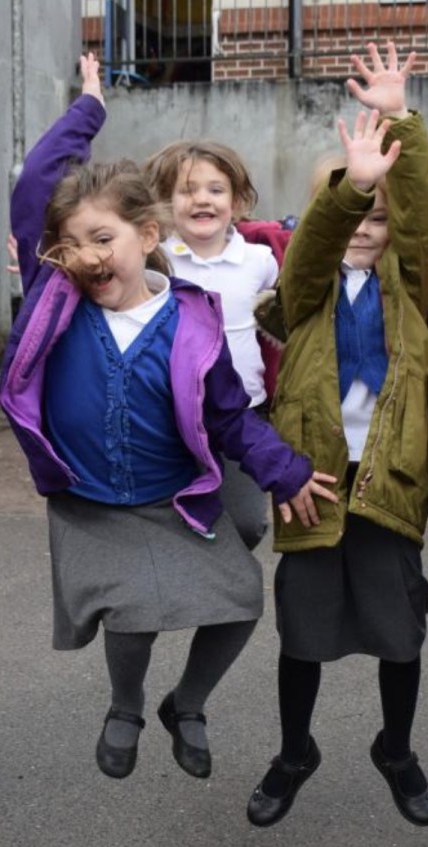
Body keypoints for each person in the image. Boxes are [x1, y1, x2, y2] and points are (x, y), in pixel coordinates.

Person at [0, 54, 336, 783]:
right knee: (131, 612)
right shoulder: (55, 298)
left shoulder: (192, 325)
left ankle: (185, 703)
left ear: (147, 236)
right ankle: (124, 705)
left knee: (240, 602)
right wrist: (89, 107)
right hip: (91, 502)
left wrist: (284, 470)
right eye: (71, 243)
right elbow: (33, 189)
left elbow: (230, 417)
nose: (86, 256)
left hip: (169, 493)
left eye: (103, 239)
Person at [243, 42, 428, 829]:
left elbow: (427, 221)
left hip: (389, 478)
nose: (366, 225)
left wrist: (401, 123)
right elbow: (313, 252)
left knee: (400, 632)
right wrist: (351, 188)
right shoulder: (302, 293)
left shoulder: (411, 285)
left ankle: (396, 748)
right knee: (303, 630)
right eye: (353, 211)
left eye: (378, 215)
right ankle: (295, 750)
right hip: (314, 477)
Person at [144, 139, 281, 549]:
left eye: (216, 190)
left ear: (236, 202)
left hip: (244, 411)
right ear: (165, 204)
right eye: (187, 190)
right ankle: (193, 575)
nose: (202, 199)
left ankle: (221, 573)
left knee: (246, 524)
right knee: (177, 516)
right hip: (173, 414)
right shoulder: (156, 261)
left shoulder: (261, 261)